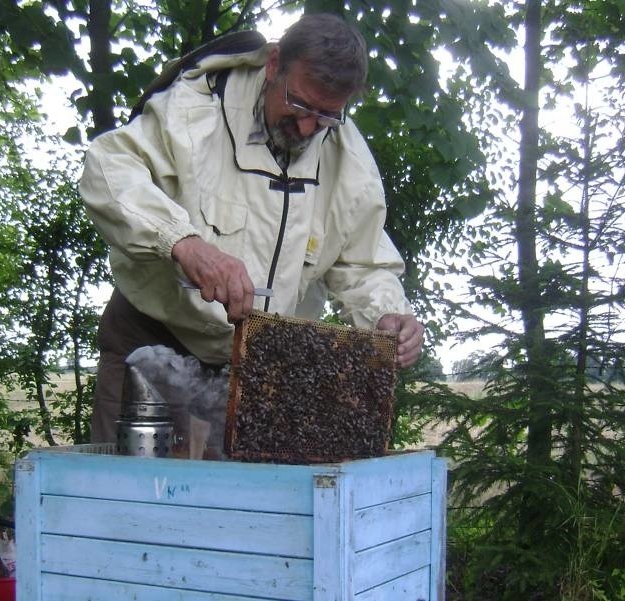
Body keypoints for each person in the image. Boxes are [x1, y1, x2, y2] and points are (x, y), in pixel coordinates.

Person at [79, 13, 425, 444]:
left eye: (326, 116)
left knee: (237, 505)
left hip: (261, 364)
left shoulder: (348, 159)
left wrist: (387, 314)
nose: (306, 127)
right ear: (274, 63)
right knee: (125, 499)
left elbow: (364, 261)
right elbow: (108, 168)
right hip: (153, 340)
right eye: (299, 103)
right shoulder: (193, 109)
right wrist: (182, 242)